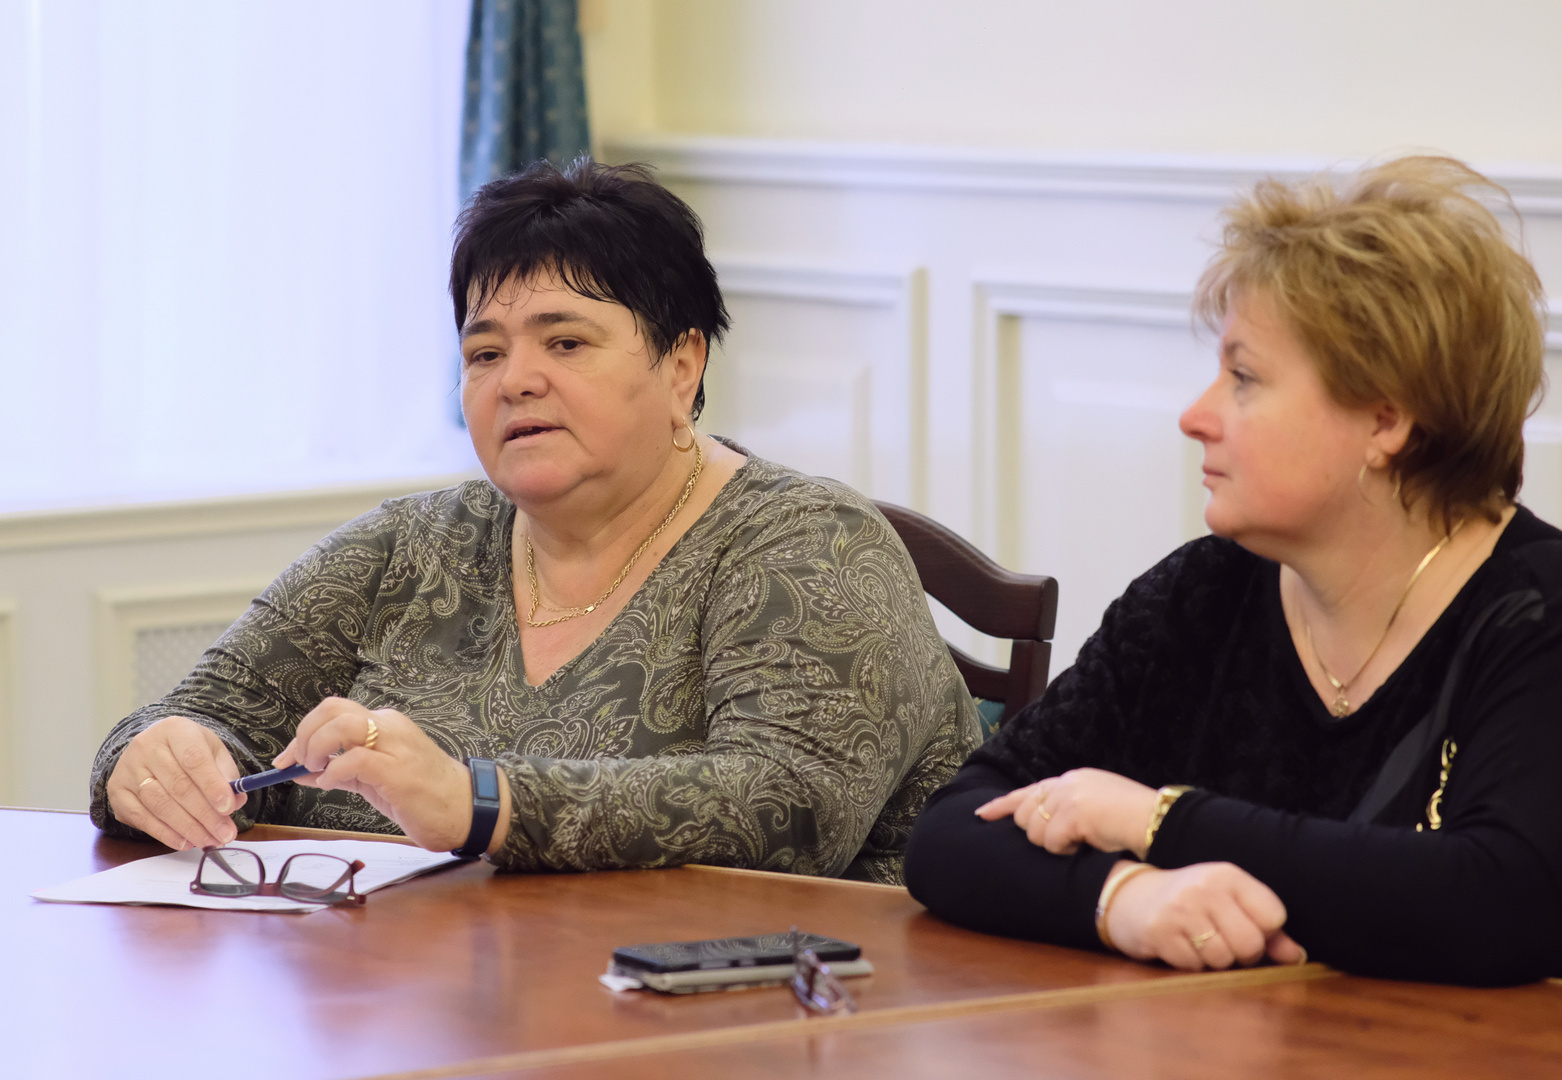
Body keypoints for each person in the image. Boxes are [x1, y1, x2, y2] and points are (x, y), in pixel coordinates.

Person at [90, 159, 978, 884]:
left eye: (566, 342)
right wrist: (158, 760)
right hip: (425, 1000)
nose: (515, 379)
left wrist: (477, 804)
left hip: (761, 1009)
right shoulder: (406, 547)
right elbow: (203, 713)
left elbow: (790, 809)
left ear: (681, 366)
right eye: (484, 352)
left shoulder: (809, 543)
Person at [904, 156, 1562, 985]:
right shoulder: (1201, 594)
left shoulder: (1558, 620)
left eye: (1243, 378)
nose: (1195, 416)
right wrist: (1121, 897)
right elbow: (953, 831)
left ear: (1385, 421)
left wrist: (1158, 822)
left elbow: (1498, 903)